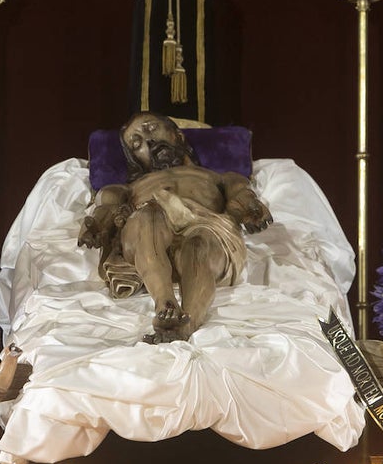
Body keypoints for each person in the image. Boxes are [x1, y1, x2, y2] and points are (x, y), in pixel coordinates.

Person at [78, 112, 272, 343]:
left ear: (178, 135)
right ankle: (165, 303)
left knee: (197, 244)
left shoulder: (221, 178)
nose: (147, 142)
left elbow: (241, 195)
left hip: (207, 228)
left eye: (151, 129)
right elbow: (106, 209)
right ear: (134, 158)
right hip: (149, 235)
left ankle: (187, 322)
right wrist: (96, 227)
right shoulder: (126, 189)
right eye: (136, 143)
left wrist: (251, 209)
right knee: (148, 214)